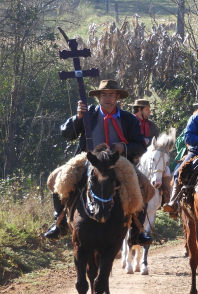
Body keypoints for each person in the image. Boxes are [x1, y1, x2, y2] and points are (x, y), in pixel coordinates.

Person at [44, 79, 151, 241]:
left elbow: (141, 145)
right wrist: (78, 118)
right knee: (56, 177)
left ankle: (138, 231)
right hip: (89, 159)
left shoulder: (129, 119)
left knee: (145, 184)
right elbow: (66, 134)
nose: (107, 98)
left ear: (117, 98)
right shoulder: (89, 114)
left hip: (118, 161)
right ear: (99, 97)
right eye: (104, 95)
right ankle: (59, 223)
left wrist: (124, 147)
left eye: (111, 95)